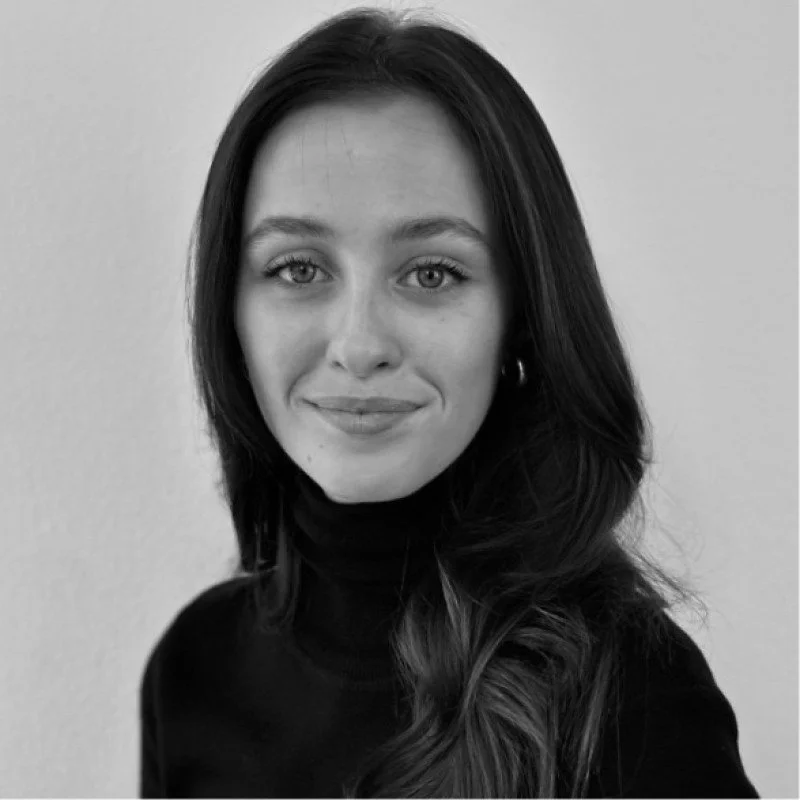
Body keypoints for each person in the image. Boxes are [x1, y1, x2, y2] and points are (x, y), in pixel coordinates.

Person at [139, 5, 759, 797]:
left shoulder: (632, 700)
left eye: (432, 273)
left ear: (521, 318)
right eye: (298, 269)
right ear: (229, 311)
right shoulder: (192, 668)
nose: (359, 344)